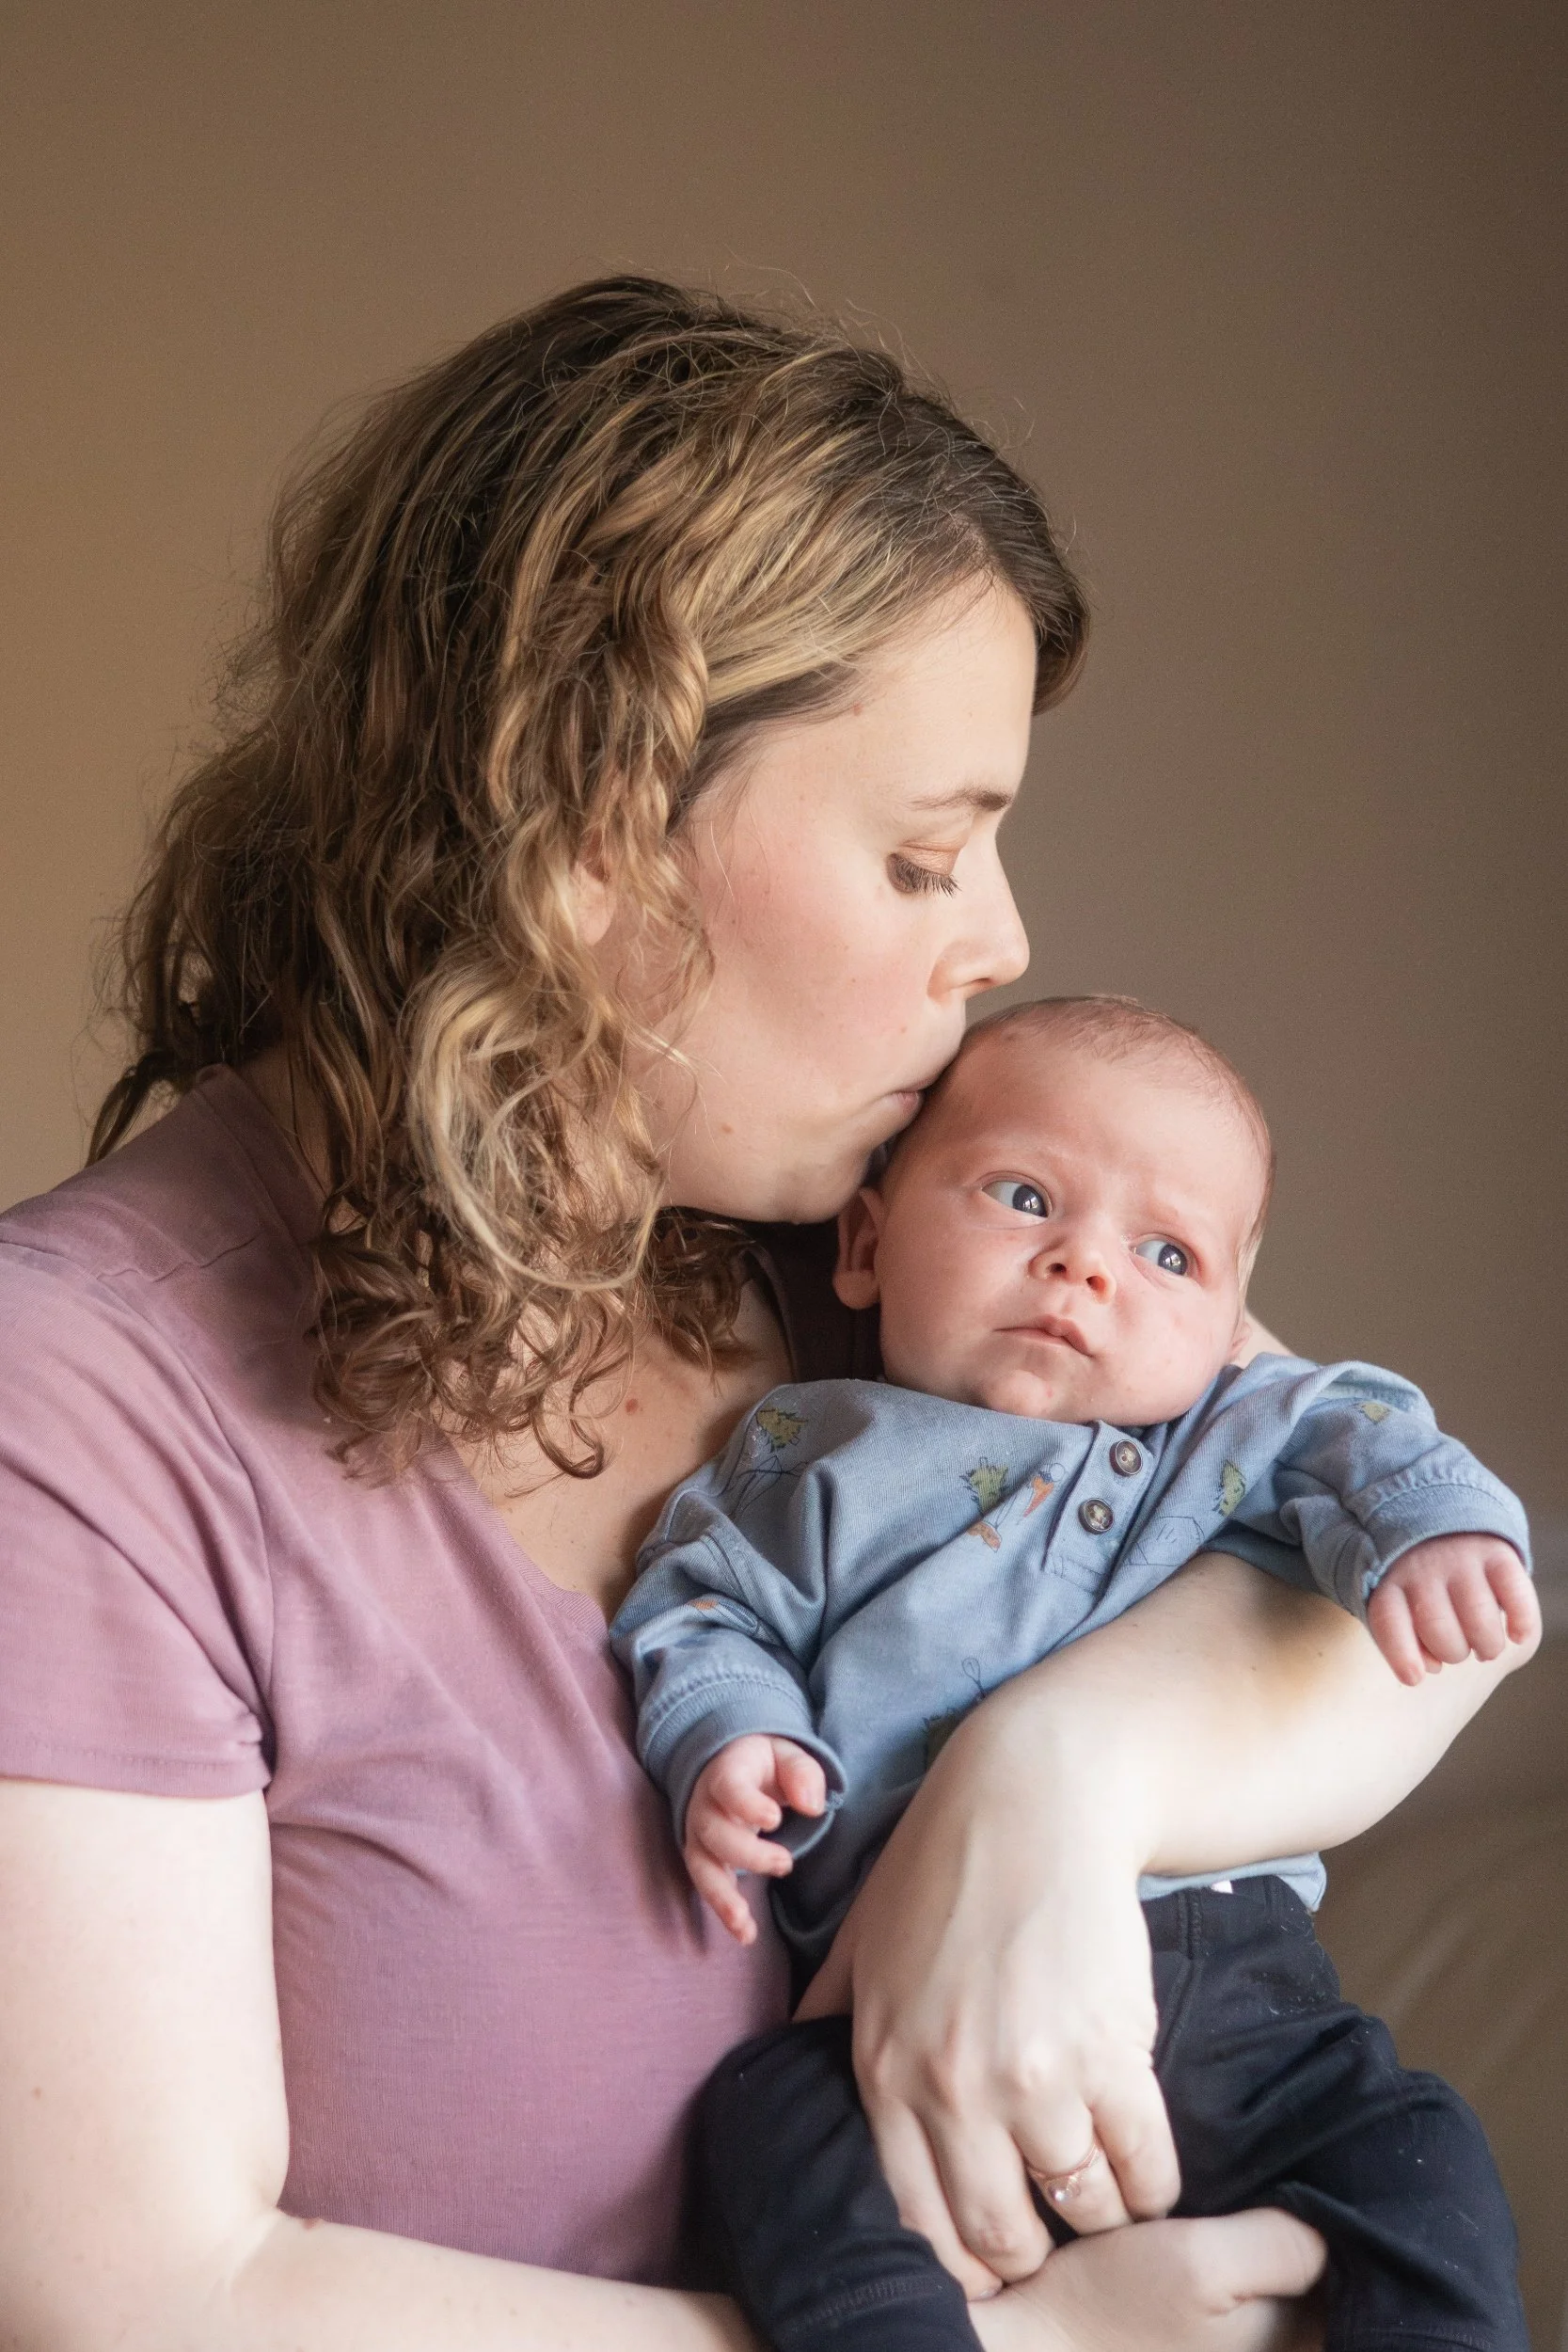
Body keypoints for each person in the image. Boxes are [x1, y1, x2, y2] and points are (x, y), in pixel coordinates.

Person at [0, 278, 1532, 2352]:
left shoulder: (866, 1230)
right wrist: (1029, 2349)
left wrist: (1046, 1784)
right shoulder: (80, 1405)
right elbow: (140, 2292)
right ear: (585, 829)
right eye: (922, 857)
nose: (996, 939)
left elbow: (1405, 1593)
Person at [614, 995, 1535, 2351]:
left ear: (1229, 1320)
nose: (1082, 1269)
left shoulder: (1232, 1426)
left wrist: (1441, 1533)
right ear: (865, 1246)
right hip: (898, 2003)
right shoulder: (813, 1459)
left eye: (1166, 1251)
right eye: (1022, 1195)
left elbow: (1370, 1435)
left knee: (1421, 2152)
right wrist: (731, 1736)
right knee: (766, 2125)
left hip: (1226, 1977)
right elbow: (698, 1612)